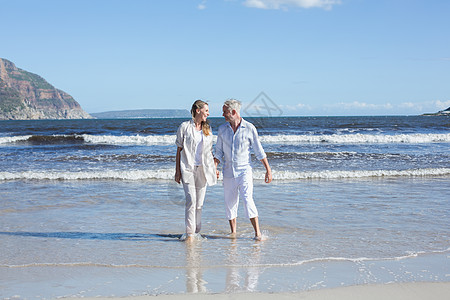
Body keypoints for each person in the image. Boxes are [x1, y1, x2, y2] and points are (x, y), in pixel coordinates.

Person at [214, 99, 272, 240]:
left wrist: (268, 170)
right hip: (228, 172)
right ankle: (233, 233)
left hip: (244, 171)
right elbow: (218, 152)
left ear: (233, 112)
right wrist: (214, 168)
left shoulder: (249, 128)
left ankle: (257, 233)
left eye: (225, 112)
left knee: (247, 200)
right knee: (230, 203)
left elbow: (259, 151)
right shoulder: (222, 129)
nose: (223, 114)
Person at [175, 100, 217, 241]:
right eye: (206, 110)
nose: (208, 113)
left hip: (203, 170)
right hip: (187, 168)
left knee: (199, 203)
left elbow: (209, 152)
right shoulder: (185, 127)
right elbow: (179, 149)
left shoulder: (207, 129)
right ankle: (190, 234)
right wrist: (177, 171)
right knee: (191, 201)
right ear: (198, 110)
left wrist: (214, 169)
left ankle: (197, 230)